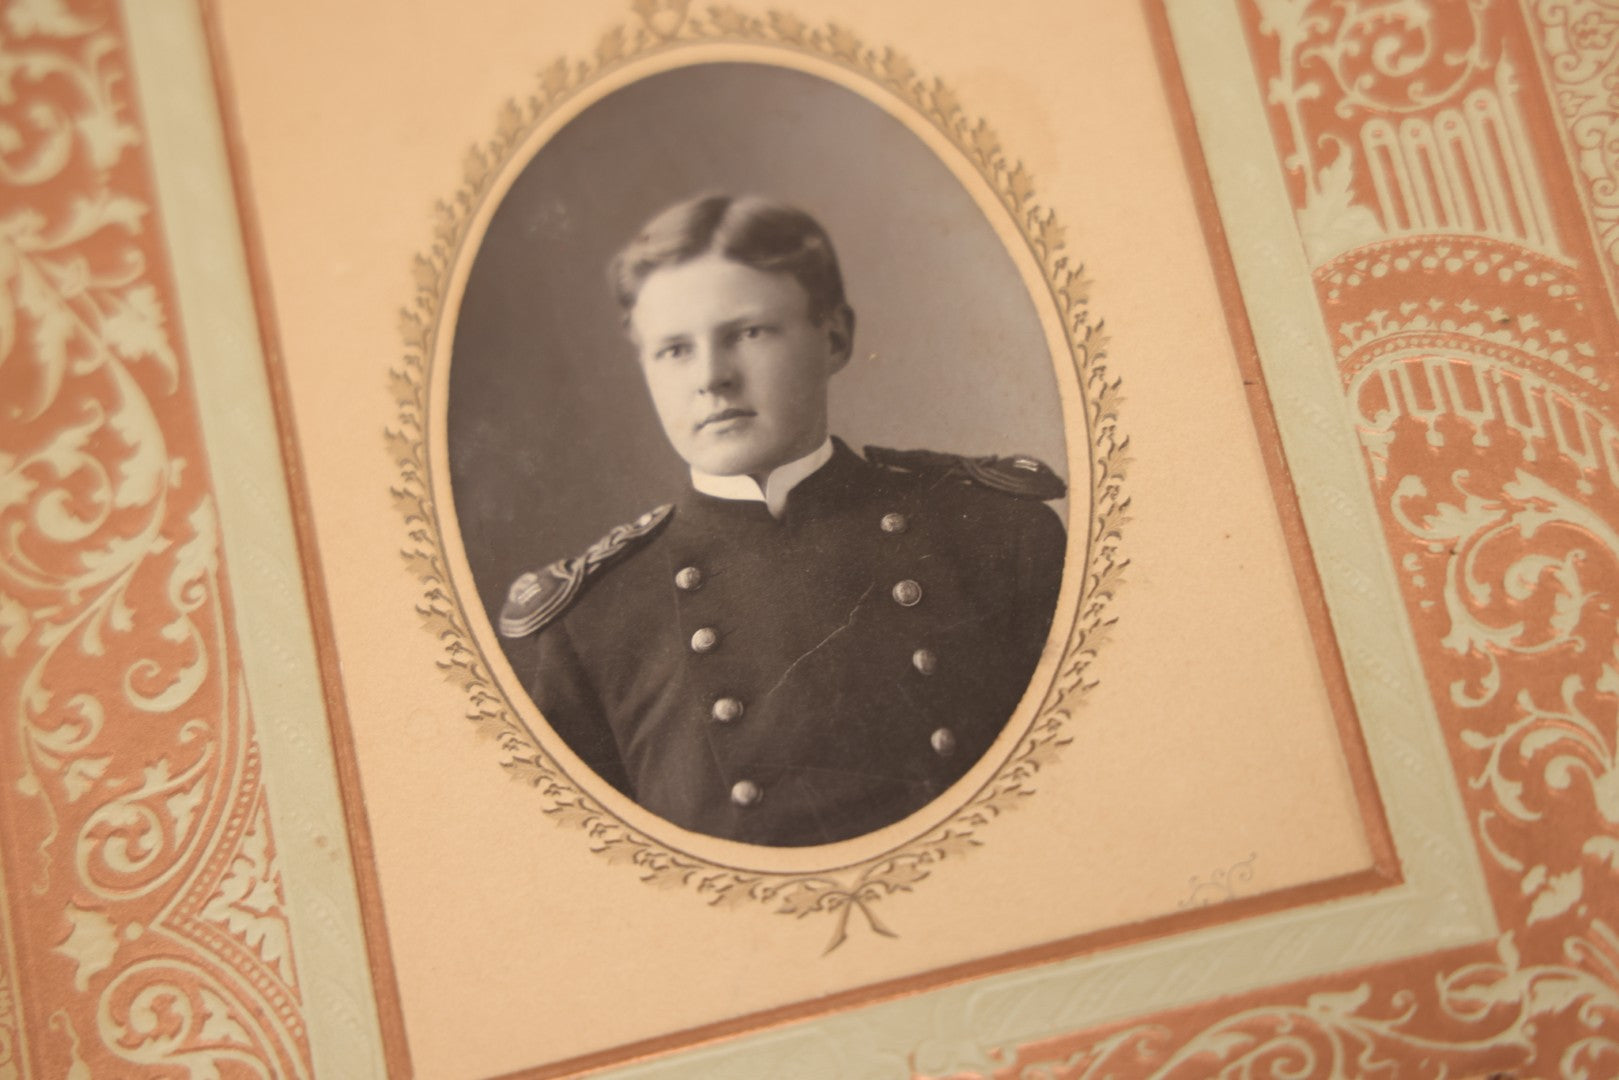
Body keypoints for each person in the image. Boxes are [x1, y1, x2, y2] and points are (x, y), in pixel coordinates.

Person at [499, 193, 1066, 847]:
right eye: (675, 350)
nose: (712, 378)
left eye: (747, 333)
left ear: (834, 337)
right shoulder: (593, 625)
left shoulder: (994, 533)